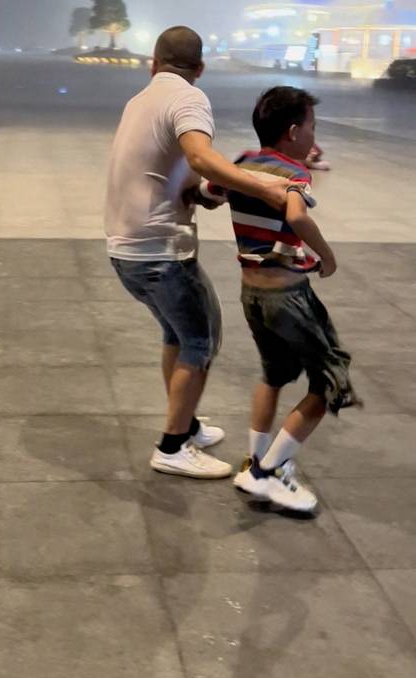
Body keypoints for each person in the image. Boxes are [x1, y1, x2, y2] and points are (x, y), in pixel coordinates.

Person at [105, 26, 290, 480]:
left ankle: (184, 424)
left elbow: (180, 174)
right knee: (201, 339)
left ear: (153, 63)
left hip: (126, 249)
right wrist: (264, 185)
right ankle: (172, 446)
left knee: (178, 335)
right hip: (159, 253)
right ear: (200, 69)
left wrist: (207, 191)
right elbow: (201, 156)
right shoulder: (188, 98)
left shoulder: (140, 101)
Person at [192, 85, 360, 512]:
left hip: (253, 294)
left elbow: (206, 195)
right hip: (289, 296)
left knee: (274, 374)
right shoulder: (292, 172)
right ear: (291, 132)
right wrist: (328, 255)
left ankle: (257, 460)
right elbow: (297, 215)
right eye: (311, 128)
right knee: (328, 383)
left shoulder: (244, 163)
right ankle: (265, 474)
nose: (314, 139)